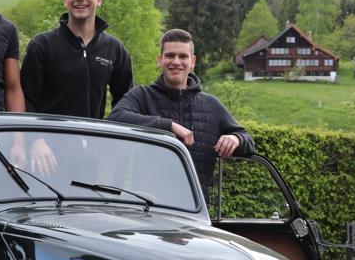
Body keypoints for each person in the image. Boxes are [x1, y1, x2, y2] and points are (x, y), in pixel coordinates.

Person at [109, 28, 254, 203]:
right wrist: (168, 126)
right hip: (147, 210)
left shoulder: (212, 105)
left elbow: (248, 141)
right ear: (159, 60)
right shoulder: (141, 96)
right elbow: (116, 118)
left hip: (196, 214)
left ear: (192, 61)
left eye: (183, 56)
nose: (176, 62)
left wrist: (236, 139)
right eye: (170, 55)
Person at [20, 0, 133, 119]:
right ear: (64, 0)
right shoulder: (42, 45)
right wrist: (36, 139)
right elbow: (26, 99)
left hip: (94, 141)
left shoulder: (115, 49)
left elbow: (126, 103)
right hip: (48, 140)